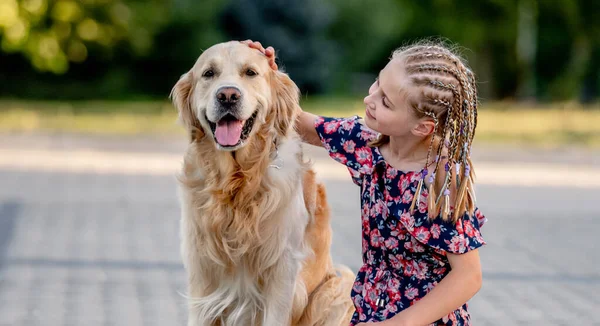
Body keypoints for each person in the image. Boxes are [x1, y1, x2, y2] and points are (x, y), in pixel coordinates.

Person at [243, 39, 487, 326]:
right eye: (377, 84)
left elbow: (469, 276)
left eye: (385, 101)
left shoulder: (438, 182)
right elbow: (300, 124)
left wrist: (399, 324)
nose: (369, 99)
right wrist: (263, 74)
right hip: (371, 310)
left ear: (422, 127)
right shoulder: (368, 142)